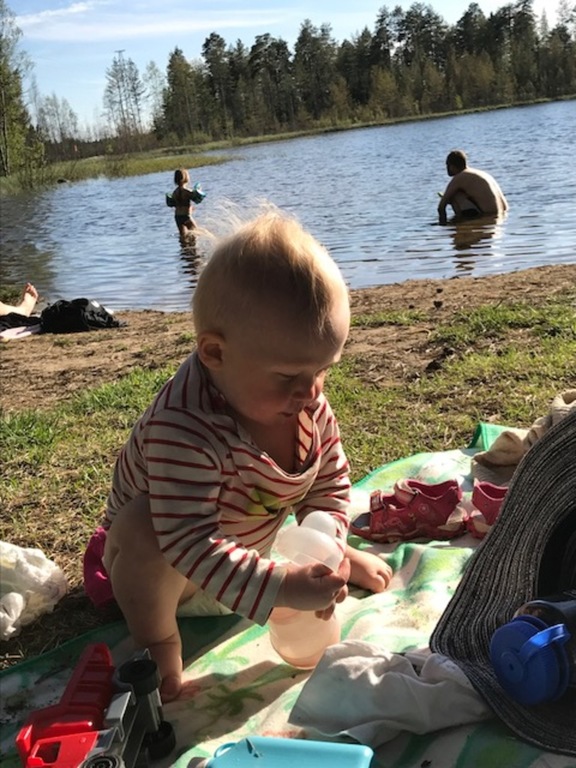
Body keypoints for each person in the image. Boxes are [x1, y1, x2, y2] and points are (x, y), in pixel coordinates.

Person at [83, 208, 393, 702]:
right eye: (289, 375)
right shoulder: (183, 426)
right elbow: (189, 540)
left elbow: (330, 485)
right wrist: (283, 589)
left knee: (317, 523)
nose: (311, 392)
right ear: (214, 353)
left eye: (323, 369)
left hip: (252, 554)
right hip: (177, 578)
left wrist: (326, 546)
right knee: (145, 527)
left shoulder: (303, 405)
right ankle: (157, 640)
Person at [438, 150, 508, 225]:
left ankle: (461, 223)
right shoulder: (481, 173)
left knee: (454, 196)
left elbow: (441, 207)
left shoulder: (459, 177)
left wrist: (443, 225)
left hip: (486, 217)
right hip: (502, 217)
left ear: (451, 166)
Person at [169, 168, 198, 242]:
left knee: (183, 236)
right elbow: (196, 197)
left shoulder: (174, 192)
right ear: (186, 178)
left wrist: (190, 208)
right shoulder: (187, 191)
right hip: (186, 216)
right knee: (195, 233)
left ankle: (184, 250)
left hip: (177, 217)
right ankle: (193, 251)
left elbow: (177, 204)